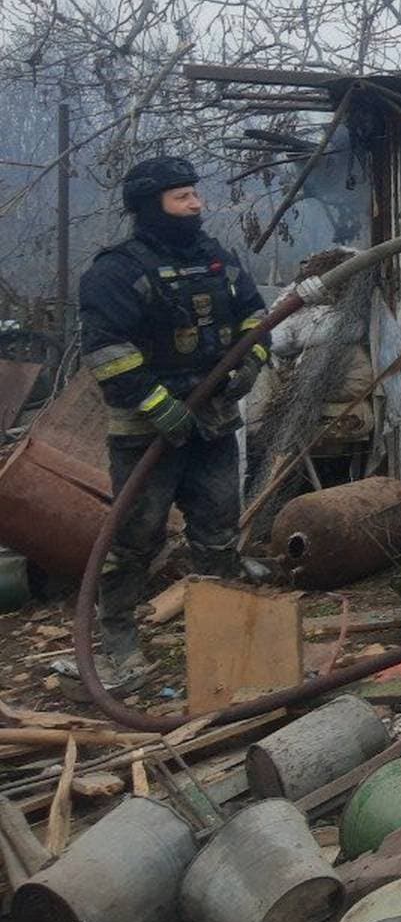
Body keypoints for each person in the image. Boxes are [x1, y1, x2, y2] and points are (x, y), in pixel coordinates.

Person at [74, 156, 271, 687]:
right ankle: (117, 639)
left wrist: (249, 366)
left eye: (194, 194)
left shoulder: (216, 259)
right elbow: (107, 353)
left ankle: (221, 633)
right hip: (146, 431)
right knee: (136, 535)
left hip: (212, 420)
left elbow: (257, 316)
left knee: (219, 527)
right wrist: (160, 405)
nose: (196, 205)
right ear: (149, 205)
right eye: (182, 197)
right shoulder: (117, 270)